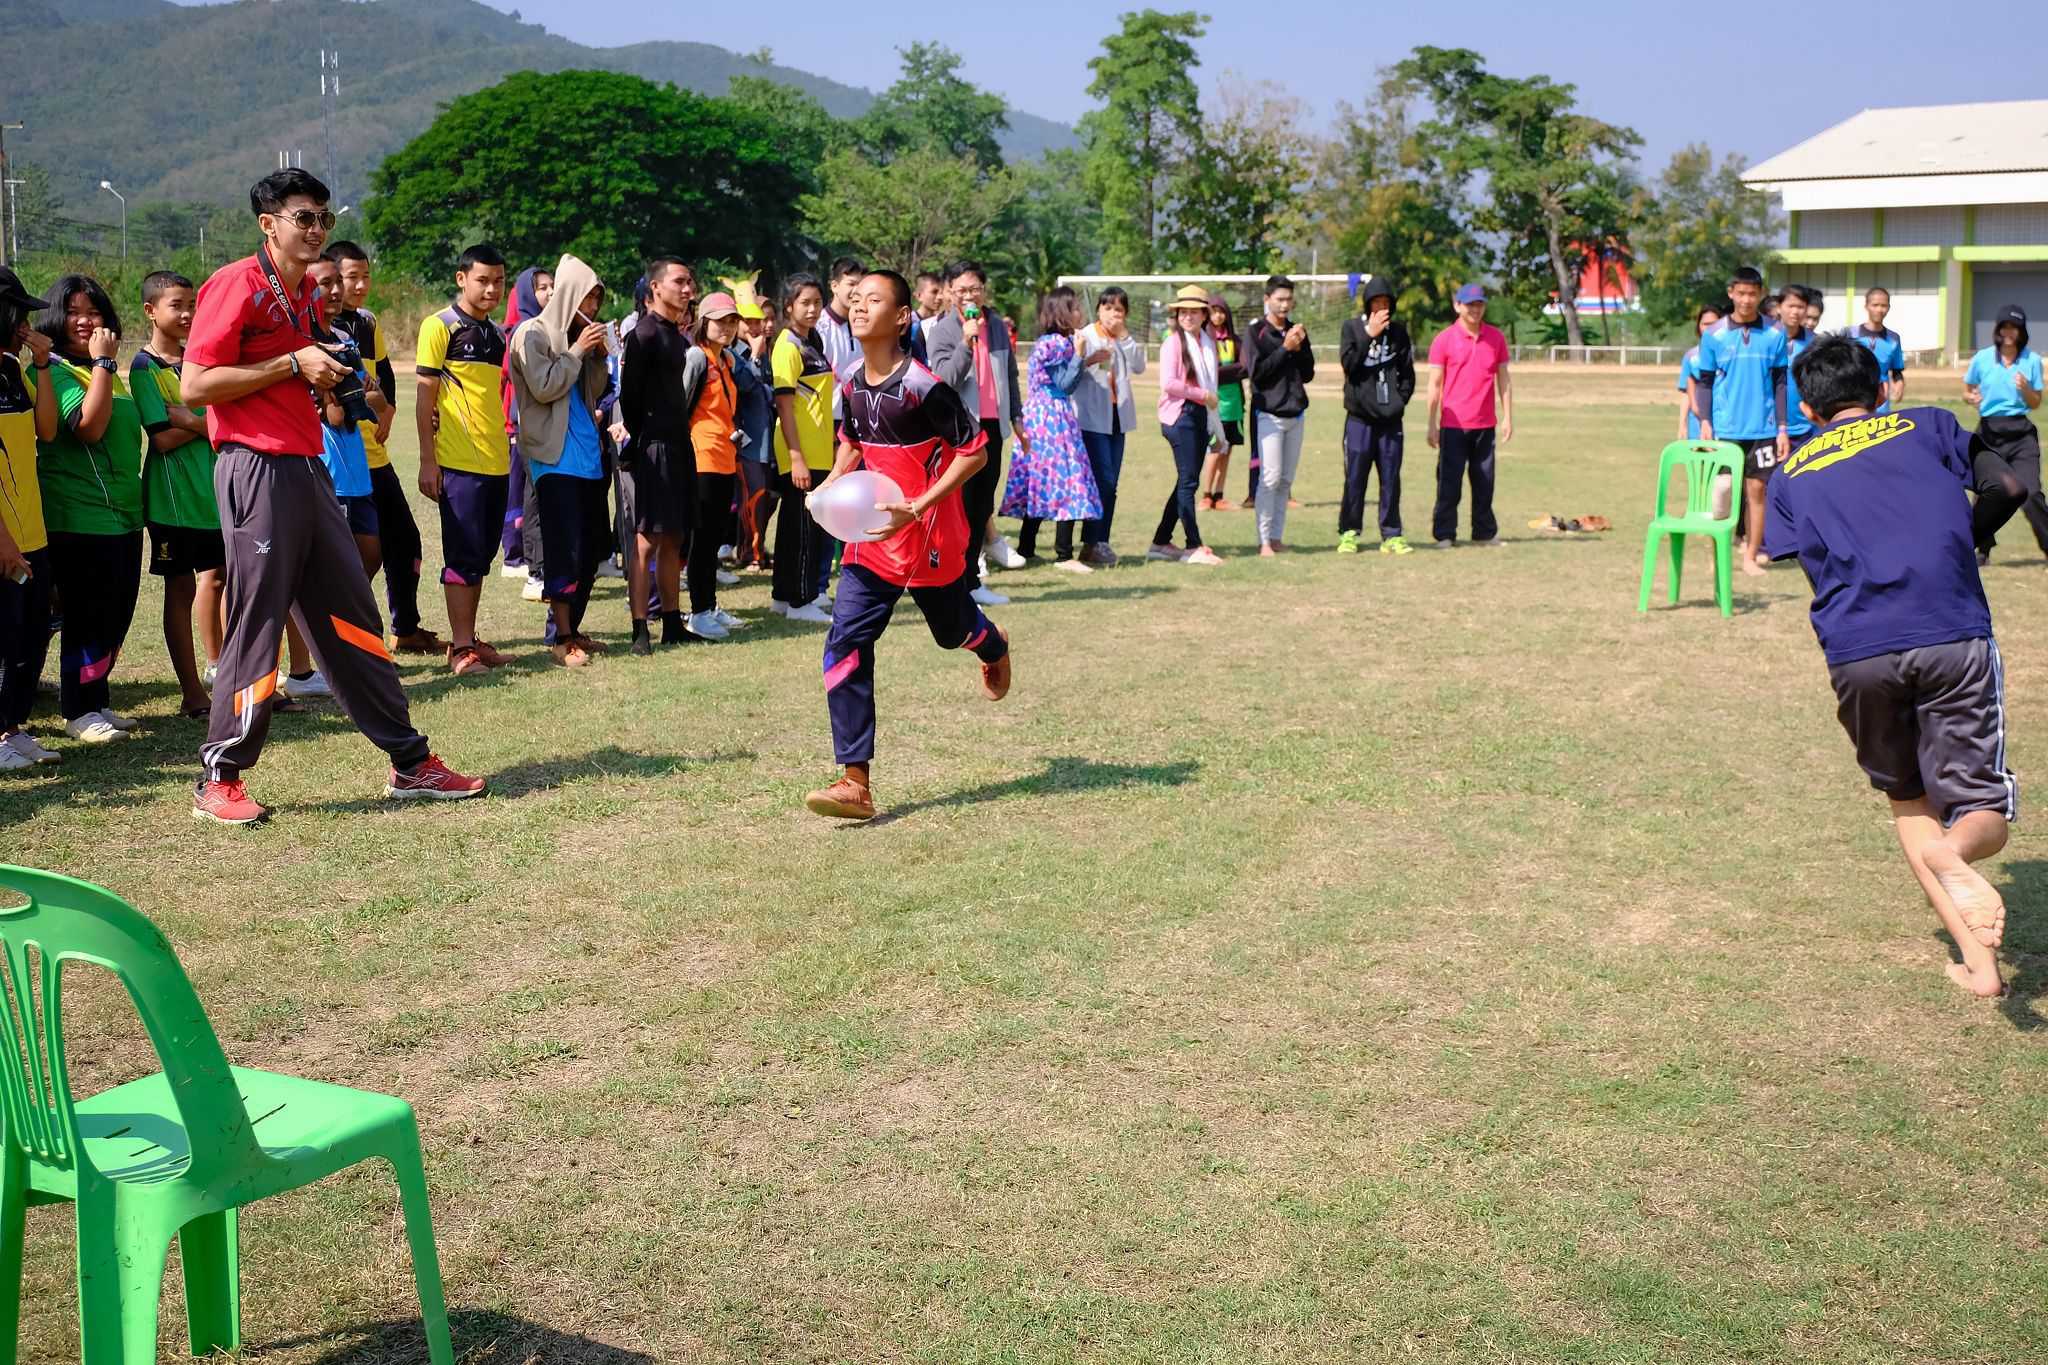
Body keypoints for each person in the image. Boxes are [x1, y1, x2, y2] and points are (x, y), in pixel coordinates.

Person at [183, 168, 484, 822]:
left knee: (353, 614)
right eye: (304, 218)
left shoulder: (303, 294)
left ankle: (410, 761)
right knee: (258, 619)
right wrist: (292, 364)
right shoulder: (237, 284)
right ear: (269, 224)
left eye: (324, 218)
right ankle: (220, 776)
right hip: (254, 466)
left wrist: (327, 376)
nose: (317, 229)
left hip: (309, 465)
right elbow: (195, 384)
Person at [1764, 335, 2014, 999]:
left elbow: (1797, 555)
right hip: (1950, 632)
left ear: (1808, 411)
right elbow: (2009, 483)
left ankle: (1980, 967)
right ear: (1881, 391)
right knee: (1980, 808)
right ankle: (1954, 853)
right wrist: (1970, 535)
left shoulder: (1790, 472)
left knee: (1908, 800)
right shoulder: (1927, 423)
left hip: (1858, 652)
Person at [804, 270, 1012, 822]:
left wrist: (918, 506)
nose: (858, 306)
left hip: (927, 534)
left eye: (874, 300)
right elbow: (852, 441)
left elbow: (975, 452)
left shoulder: (924, 385)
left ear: (901, 318)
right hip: (872, 538)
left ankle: (991, 643)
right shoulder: (850, 379)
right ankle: (855, 782)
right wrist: (831, 484)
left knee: (951, 632)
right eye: (855, 298)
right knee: (845, 641)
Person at [34, 273, 145, 742]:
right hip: (78, 515)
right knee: (86, 615)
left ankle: (96, 699)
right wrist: (102, 362)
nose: (84, 320)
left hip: (124, 513)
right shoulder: (55, 372)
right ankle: (79, 710)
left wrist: (103, 366)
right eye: (74, 312)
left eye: (94, 311)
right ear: (55, 318)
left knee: (116, 613)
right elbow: (89, 428)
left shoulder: (107, 373)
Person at [326, 240, 440, 655]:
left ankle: (405, 629)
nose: (358, 286)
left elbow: (384, 378)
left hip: (376, 456)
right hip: (344, 461)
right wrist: (373, 401)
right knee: (356, 555)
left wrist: (387, 411)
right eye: (349, 278)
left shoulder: (366, 323)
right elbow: (348, 400)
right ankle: (346, 639)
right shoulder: (323, 332)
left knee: (405, 541)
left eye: (365, 276)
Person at [130, 270, 225, 719]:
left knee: (224, 581)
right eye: (177, 305)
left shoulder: (201, 361)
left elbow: (220, 421)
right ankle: (192, 692)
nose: (188, 314)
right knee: (181, 589)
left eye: (192, 305)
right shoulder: (143, 367)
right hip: (173, 502)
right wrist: (208, 423)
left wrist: (190, 419)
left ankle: (228, 674)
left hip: (214, 496)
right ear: (151, 311)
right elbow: (162, 438)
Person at [509, 253, 611, 667]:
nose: (593, 308)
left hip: (588, 457)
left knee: (591, 549)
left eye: (597, 300)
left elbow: (594, 390)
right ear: (569, 294)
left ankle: (574, 628)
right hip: (553, 459)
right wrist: (577, 350)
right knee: (563, 549)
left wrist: (597, 356)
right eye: (588, 298)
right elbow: (545, 386)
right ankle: (561, 638)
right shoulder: (531, 334)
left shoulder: (575, 337)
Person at [416, 243, 512, 675]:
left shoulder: (497, 335)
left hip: (497, 461)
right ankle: (459, 649)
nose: (492, 289)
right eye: (483, 280)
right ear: (461, 279)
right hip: (458, 463)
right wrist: (428, 460)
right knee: (461, 555)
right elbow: (425, 398)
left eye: (499, 281)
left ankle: (469, 639)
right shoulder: (440, 326)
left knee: (481, 556)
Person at [924, 260, 1027, 605]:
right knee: (961, 508)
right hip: (960, 429)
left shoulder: (996, 325)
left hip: (992, 425)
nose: (969, 296)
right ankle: (956, 582)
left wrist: (1017, 417)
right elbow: (944, 381)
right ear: (950, 292)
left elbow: (1010, 374)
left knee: (982, 506)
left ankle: (971, 581)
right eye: (962, 290)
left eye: (975, 289)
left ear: (984, 290)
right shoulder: (942, 331)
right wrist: (966, 343)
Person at [617, 255, 702, 653]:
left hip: (679, 443)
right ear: (655, 287)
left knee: (674, 535)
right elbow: (629, 397)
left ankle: (672, 622)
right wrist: (641, 442)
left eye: (690, 283)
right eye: (679, 282)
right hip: (653, 447)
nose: (687, 289)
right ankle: (640, 628)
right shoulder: (644, 334)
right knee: (646, 538)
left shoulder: (676, 335)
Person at [1693, 265, 1790, 573]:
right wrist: (1705, 421)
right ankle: (1716, 555)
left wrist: (1782, 427)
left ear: (1760, 295)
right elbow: (1705, 383)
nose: (1746, 300)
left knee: (1757, 492)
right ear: (1731, 293)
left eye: (1752, 294)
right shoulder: (1714, 335)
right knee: (1722, 491)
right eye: (1741, 293)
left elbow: (1780, 383)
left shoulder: (1775, 333)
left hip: (1763, 428)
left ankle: (1750, 556)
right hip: (1726, 428)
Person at [0, 268, 59, 769]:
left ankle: (12, 727)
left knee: (29, 634)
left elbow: (47, 430)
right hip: (4, 538)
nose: (25, 324)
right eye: (19, 314)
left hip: (31, 531)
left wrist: (40, 365)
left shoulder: (10, 370)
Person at [1001, 286, 1102, 571]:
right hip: (1052, 418)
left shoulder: (1053, 341)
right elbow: (1064, 385)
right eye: (1075, 308)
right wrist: (1079, 355)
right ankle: (1063, 554)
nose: (1080, 313)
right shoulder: (1057, 344)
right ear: (1062, 313)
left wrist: (1085, 359)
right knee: (1067, 480)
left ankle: (1027, 547)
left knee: (1041, 479)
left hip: (1040, 417)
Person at [305, 254, 387, 583]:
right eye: (326, 283)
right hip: (327, 473)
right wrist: (353, 396)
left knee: (370, 556)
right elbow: (336, 416)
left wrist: (348, 395)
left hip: (357, 473)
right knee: (330, 569)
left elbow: (380, 400)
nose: (337, 290)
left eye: (338, 281)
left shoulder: (345, 342)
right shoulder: (304, 346)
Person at [681, 291, 748, 640]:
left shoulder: (727, 361)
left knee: (714, 539)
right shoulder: (697, 357)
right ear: (703, 322)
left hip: (724, 457)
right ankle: (699, 611)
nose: (727, 327)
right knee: (702, 539)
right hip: (701, 457)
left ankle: (709, 605)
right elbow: (681, 405)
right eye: (720, 321)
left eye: (732, 321)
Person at [1426, 283, 1514, 547]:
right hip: (1453, 425)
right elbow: (1434, 384)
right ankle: (1445, 534)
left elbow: (1504, 380)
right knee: (1449, 483)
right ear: (1458, 306)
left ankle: (1484, 533)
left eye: (1479, 304)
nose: (1475, 309)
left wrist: (1508, 417)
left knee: (1485, 482)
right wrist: (1431, 424)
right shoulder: (1444, 339)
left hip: (1485, 424)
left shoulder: (1496, 338)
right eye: (1470, 304)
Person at [769, 273, 835, 626]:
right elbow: (784, 405)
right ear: (788, 306)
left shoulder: (812, 341)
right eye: (804, 302)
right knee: (806, 530)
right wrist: (796, 457)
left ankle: (783, 598)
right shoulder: (787, 346)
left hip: (819, 449)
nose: (812, 309)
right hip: (801, 451)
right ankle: (801, 600)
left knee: (795, 526)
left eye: (817, 302)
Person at [1337, 274, 1416, 555]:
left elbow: (1407, 375)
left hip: (1390, 422)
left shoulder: (1399, 333)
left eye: (1386, 303)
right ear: (1367, 304)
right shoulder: (1351, 328)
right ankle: (1349, 532)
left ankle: (1392, 534)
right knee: (1355, 478)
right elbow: (1348, 364)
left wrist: (1399, 402)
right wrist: (1368, 334)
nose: (1381, 308)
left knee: (1391, 479)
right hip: (1359, 420)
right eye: (1376, 302)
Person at [1148, 284, 1225, 566]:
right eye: (1183, 312)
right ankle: (1193, 545)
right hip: (1181, 416)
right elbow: (1169, 383)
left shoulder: (1207, 342)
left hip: (1200, 415)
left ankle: (1160, 542)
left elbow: (1211, 384)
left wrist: (1214, 422)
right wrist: (1201, 395)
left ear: (1204, 315)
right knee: (1189, 482)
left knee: (1186, 481)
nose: (1188, 316)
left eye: (1194, 312)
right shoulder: (1173, 343)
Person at [1963, 304, 2046, 563]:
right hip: (1988, 431)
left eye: (2015, 327)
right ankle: (1983, 550)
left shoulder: (2032, 361)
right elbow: (1968, 390)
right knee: (1985, 492)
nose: (2009, 332)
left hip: (2020, 434)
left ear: (2022, 331)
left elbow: (2036, 402)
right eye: (2005, 327)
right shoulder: (1983, 358)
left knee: (2031, 493)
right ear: (1998, 329)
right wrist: (1971, 397)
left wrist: (2025, 388)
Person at [1242, 275, 1316, 556]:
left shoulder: (1297, 331)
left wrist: (1299, 347)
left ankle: (1276, 537)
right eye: (1279, 299)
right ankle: (1263, 541)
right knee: (1270, 478)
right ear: (1267, 299)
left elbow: (1308, 374)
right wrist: (1285, 349)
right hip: (1268, 414)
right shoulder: (1256, 332)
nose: (1284, 305)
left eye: (1289, 300)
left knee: (1285, 480)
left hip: (1296, 414)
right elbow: (1257, 374)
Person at [1072, 286, 1144, 567]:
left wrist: (1125, 336)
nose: (1113, 314)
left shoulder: (1122, 339)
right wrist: (1090, 359)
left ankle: (1099, 541)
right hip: (1091, 419)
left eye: (1119, 309)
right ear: (1099, 309)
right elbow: (1072, 372)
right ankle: (1092, 542)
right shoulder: (1086, 336)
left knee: (1111, 484)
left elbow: (1139, 365)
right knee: (1103, 481)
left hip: (1117, 417)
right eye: (1108, 308)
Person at [499, 266, 552, 601]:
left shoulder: (547, 327)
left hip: (536, 425)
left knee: (531, 493)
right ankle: (520, 559)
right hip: (521, 424)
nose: (549, 292)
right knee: (524, 494)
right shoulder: (522, 330)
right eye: (541, 287)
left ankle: (528, 559)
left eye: (552, 286)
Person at [728, 277, 778, 572]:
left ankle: (753, 549)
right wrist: (756, 358)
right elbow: (745, 387)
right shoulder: (735, 354)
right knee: (752, 497)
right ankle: (750, 553)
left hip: (767, 437)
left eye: (759, 321)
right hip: (746, 440)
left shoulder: (765, 352)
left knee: (765, 497)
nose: (756, 327)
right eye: (749, 322)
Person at [1198, 296, 1247, 511]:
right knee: (1215, 449)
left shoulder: (1235, 340)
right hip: (1214, 403)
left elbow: (1245, 368)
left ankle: (1219, 495)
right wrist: (1231, 371)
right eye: (1213, 311)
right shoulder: (1204, 340)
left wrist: (1222, 372)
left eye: (1221, 311)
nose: (1217, 316)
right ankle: (1206, 495)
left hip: (1234, 403)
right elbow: (1209, 372)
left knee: (1227, 451)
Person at [1844, 285, 1906, 412]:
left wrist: (1899, 383)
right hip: (1854, 398)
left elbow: (1896, 370)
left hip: (1881, 402)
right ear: (1866, 306)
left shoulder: (1893, 339)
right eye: (1875, 305)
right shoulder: (1850, 334)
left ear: (1889, 307)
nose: (1879, 309)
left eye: (1883, 305)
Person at [1675, 302, 1725, 442]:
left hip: (1724, 424)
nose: (1709, 328)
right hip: (1697, 426)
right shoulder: (1691, 357)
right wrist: (1682, 424)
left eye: (1714, 324)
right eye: (1705, 324)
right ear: (1698, 326)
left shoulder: (1730, 354)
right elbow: (1686, 393)